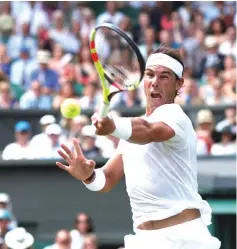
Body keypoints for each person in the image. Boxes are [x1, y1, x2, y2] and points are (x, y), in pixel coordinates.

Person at [56, 46, 221, 249]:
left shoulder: (176, 117)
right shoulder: (131, 134)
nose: (155, 82)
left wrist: (113, 125)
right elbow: (106, 179)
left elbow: (149, 131)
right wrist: (88, 176)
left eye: (164, 77)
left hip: (184, 238)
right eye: (150, 75)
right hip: (144, 240)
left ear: (179, 83)